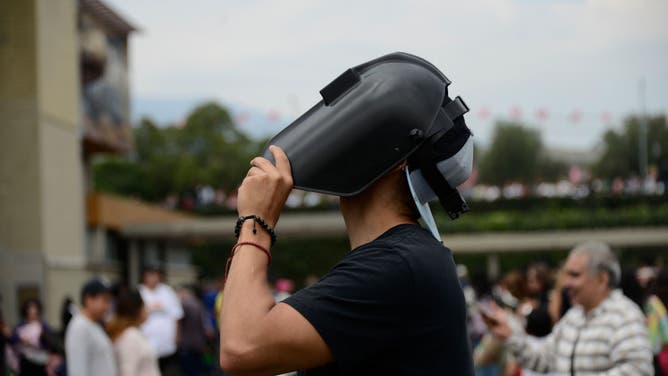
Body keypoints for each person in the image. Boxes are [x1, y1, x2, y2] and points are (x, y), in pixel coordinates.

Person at [219, 53, 475, 375]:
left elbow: (242, 349)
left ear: (396, 160)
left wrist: (255, 221)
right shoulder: (402, 259)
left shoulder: (397, 267)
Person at [483, 241, 653, 375]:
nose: (566, 283)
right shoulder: (574, 317)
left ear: (602, 279)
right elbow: (544, 359)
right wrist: (510, 335)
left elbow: (638, 371)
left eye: (575, 275)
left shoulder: (625, 316)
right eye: (566, 275)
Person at [65, 278, 117, 376]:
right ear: (88, 300)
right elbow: (77, 371)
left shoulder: (94, 324)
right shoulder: (80, 327)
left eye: (109, 301)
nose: (108, 306)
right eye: (105, 300)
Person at [139, 265, 183, 376]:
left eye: (156, 274)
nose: (154, 278)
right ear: (144, 276)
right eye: (151, 274)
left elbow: (177, 316)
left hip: (167, 346)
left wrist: (177, 337)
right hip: (147, 345)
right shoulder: (139, 292)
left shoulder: (167, 291)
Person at [107, 289, 160, 376]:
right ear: (137, 310)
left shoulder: (131, 333)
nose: (148, 309)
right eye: (144, 305)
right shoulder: (130, 336)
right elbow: (127, 372)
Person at [9, 299, 55, 376]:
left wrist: (43, 336)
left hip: (40, 361)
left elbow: (50, 343)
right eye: (30, 312)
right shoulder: (21, 326)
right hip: (26, 362)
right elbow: (12, 339)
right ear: (26, 313)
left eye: (35, 313)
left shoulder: (43, 325)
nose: (33, 315)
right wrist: (21, 339)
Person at [177, 285, 211, 376]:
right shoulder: (198, 303)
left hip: (186, 344)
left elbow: (177, 320)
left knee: (188, 370)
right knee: (197, 369)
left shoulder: (184, 305)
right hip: (198, 343)